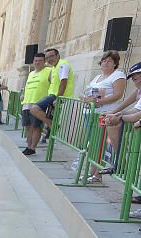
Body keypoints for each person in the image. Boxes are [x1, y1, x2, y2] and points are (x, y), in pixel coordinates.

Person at [82, 52, 127, 183]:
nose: (106, 63)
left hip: (105, 113)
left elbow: (118, 94)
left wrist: (99, 102)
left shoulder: (118, 75)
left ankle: (97, 174)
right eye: (104, 60)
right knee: (93, 144)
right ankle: (92, 172)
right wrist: (85, 98)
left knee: (100, 144)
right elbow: (87, 92)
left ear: (115, 63)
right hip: (90, 113)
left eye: (109, 61)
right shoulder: (97, 77)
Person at [29, 47, 75, 134]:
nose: (49, 59)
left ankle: (53, 125)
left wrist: (58, 98)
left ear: (58, 56)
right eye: (47, 58)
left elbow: (63, 82)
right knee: (43, 114)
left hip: (56, 96)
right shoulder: (54, 67)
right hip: (52, 96)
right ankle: (50, 127)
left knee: (34, 109)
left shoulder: (62, 65)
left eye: (51, 56)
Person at [21, 53, 53, 156]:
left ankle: (33, 148)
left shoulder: (50, 71)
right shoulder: (31, 73)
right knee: (28, 126)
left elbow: (53, 86)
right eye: (36, 60)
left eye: (40, 60)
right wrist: (23, 95)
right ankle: (28, 146)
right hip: (26, 103)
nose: (37, 62)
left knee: (36, 127)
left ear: (44, 61)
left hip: (38, 104)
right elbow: (26, 87)